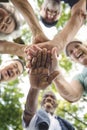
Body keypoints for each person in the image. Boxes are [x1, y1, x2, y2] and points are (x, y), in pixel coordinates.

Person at [23, 48, 75, 130]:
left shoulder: (66, 125)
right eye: (46, 96)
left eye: (52, 97)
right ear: (40, 103)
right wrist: (35, 88)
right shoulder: (36, 116)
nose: (49, 98)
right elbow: (29, 113)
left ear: (56, 104)